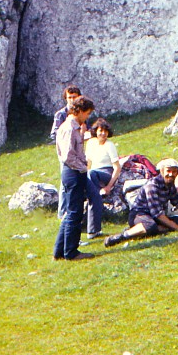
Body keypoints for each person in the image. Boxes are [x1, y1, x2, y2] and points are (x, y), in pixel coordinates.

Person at [104, 158, 178, 247]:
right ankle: (122, 236)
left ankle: (144, 230)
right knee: (151, 226)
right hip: (139, 215)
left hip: (154, 217)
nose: (171, 174)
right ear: (162, 171)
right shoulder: (152, 186)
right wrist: (177, 228)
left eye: (174, 171)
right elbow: (158, 214)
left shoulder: (170, 185)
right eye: (168, 171)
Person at [53, 96, 95, 261]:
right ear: (80, 111)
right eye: (87, 113)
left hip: (74, 172)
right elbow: (68, 156)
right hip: (73, 172)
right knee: (75, 213)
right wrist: (83, 168)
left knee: (71, 212)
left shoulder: (75, 127)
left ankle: (59, 251)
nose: (88, 117)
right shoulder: (69, 128)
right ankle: (71, 252)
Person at [85, 118, 121, 239]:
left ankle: (92, 229)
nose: (103, 133)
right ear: (96, 131)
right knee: (90, 177)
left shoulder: (109, 145)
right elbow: (88, 163)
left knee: (92, 176)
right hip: (93, 173)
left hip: (106, 173)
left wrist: (109, 186)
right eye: (100, 131)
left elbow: (117, 167)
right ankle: (92, 229)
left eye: (105, 131)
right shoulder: (91, 143)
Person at [51, 85, 83, 220]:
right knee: (65, 182)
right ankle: (62, 212)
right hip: (66, 152)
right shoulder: (61, 114)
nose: (72, 100)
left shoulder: (81, 113)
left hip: (80, 150)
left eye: (74, 97)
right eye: (69, 97)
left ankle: (74, 210)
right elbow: (54, 133)